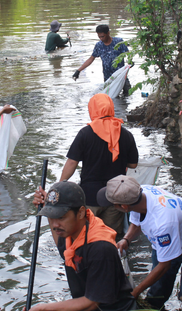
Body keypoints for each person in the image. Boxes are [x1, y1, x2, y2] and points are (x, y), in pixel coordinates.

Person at [23, 181, 147, 311]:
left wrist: (43, 308)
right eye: (51, 217)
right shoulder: (71, 234)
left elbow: (92, 302)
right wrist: (47, 205)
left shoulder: (100, 248)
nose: (55, 225)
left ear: (81, 213)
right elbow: (62, 246)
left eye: (61, 217)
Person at [97, 175, 182, 311]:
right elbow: (137, 221)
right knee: (158, 290)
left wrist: (136, 292)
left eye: (113, 204)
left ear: (123, 207)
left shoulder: (162, 223)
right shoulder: (140, 193)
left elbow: (164, 265)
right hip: (167, 238)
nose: (112, 207)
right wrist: (126, 239)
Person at [56, 93, 138, 240]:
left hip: (90, 197)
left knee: (87, 237)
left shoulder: (85, 134)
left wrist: (60, 185)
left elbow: (72, 162)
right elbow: (133, 164)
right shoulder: (125, 134)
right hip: (115, 197)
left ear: (92, 110)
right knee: (111, 238)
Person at [73, 24, 131, 95]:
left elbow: (128, 54)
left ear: (108, 33)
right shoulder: (99, 45)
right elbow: (91, 59)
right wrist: (78, 70)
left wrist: (130, 61)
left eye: (102, 36)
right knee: (109, 97)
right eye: (99, 37)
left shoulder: (119, 42)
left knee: (128, 94)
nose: (101, 38)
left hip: (121, 75)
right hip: (108, 78)